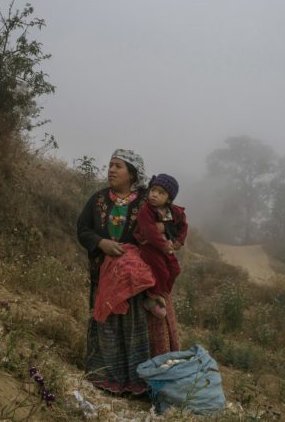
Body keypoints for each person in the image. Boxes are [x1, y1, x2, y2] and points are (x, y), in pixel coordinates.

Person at [76, 149, 180, 395]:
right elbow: (83, 229)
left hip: (141, 279)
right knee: (110, 323)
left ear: (132, 174)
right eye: (110, 165)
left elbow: (170, 222)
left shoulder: (149, 199)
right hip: (106, 275)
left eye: (118, 166)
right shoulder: (99, 199)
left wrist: (168, 239)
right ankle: (108, 379)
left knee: (139, 328)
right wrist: (102, 244)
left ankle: (143, 383)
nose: (111, 170)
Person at [134, 174, 188, 318]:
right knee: (162, 271)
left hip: (166, 247)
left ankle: (163, 294)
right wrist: (164, 245)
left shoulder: (174, 212)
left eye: (161, 193)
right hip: (149, 246)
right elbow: (149, 231)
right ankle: (151, 299)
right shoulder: (146, 210)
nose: (154, 195)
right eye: (153, 190)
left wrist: (179, 241)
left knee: (175, 269)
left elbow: (183, 226)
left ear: (169, 199)